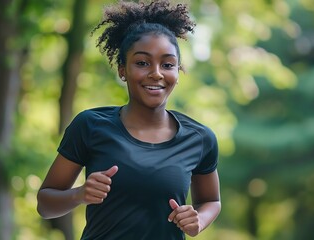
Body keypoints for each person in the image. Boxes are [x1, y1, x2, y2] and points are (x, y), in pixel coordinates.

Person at [37, 0, 221, 239]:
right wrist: (79, 194)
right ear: (122, 69)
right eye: (142, 63)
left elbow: (211, 201)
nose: (156, 73)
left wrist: (199, 219)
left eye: (167, 64)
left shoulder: (199, 138)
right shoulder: (90, 125)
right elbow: (45, 204)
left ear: (177, 72)